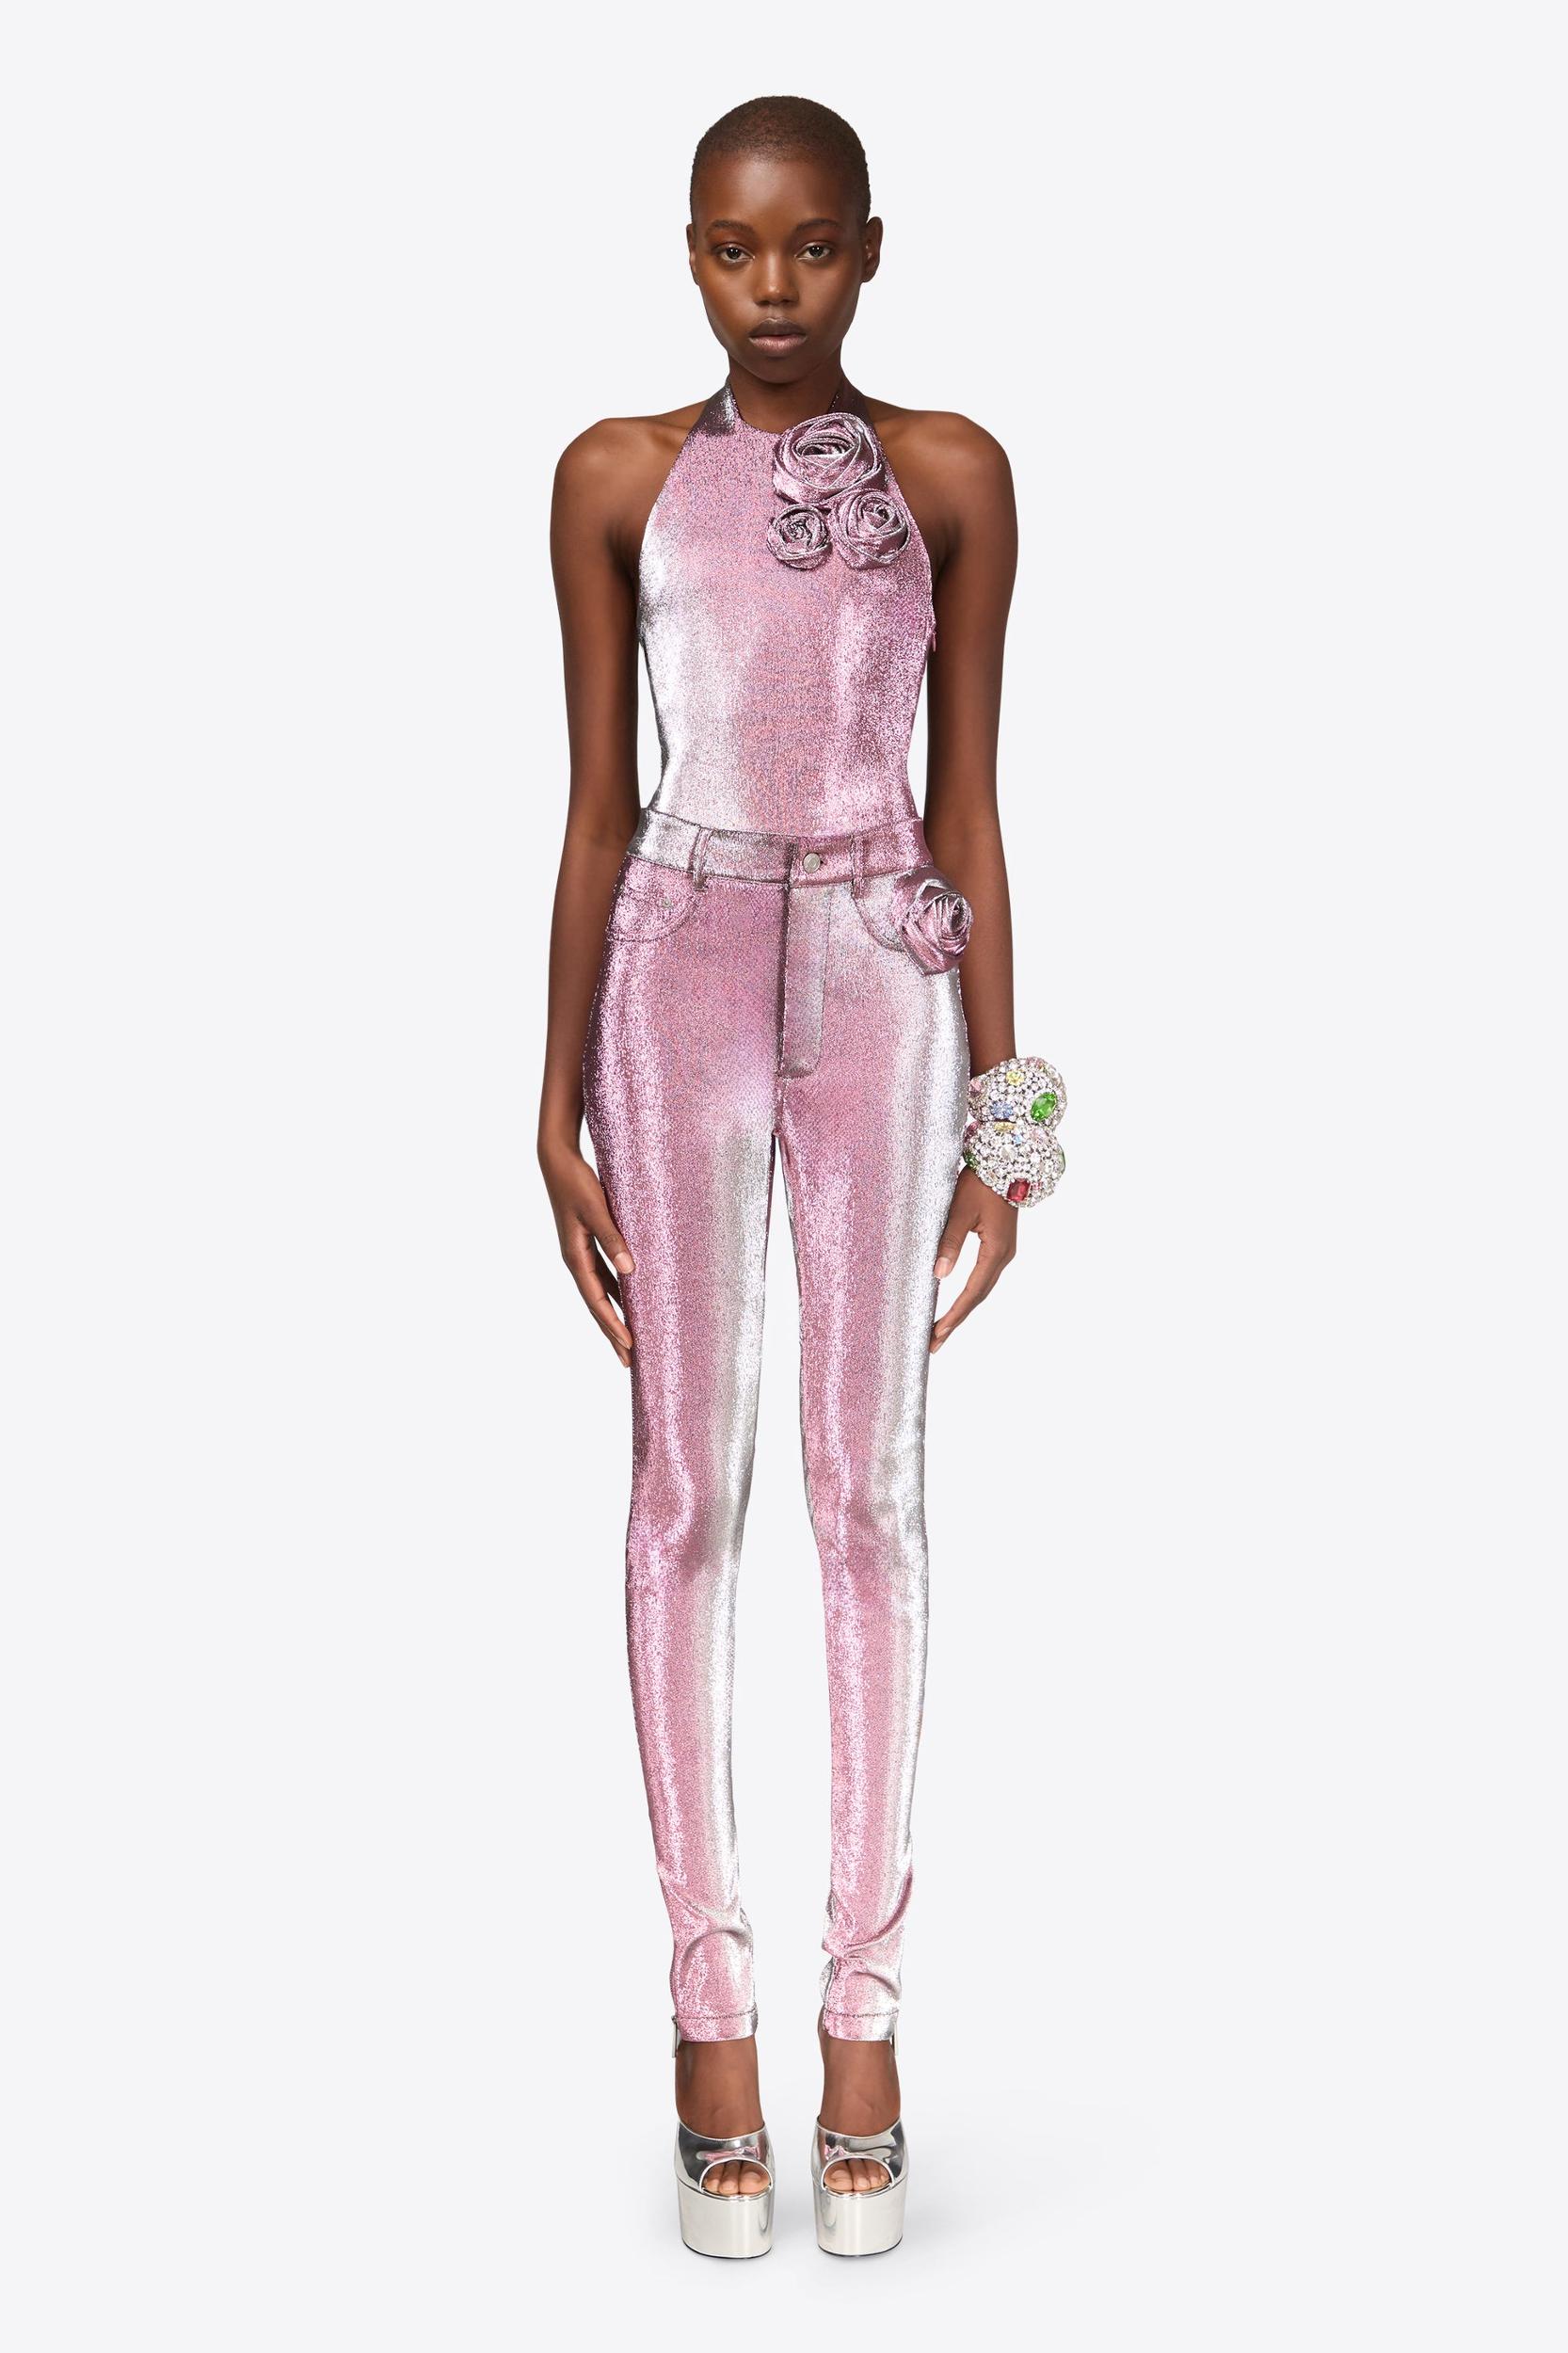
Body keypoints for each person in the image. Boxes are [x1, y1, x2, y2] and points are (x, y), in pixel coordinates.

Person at [539, 94, 1064, 2258]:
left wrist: (1007, 1135)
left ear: (866, 247)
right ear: (687, 251)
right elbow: (594, 800)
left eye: (810, 247)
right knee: (683, 1489)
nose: (771, 289)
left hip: (879, 965)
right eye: (731, 249)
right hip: (669, 963)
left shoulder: (949, 474)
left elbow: (974, 801)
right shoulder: (609, 477)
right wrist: (547, 1104)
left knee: (873, 1494)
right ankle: (704, 2011)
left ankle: (862, 2021)